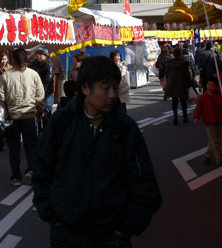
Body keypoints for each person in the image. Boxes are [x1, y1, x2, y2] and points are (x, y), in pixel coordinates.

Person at [33, 56, 162, 248]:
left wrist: (125, 228)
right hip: (67, 233)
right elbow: (41, 170)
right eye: (105, 88)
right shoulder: (62, 123)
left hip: (112, 236)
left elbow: (145, 184)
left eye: (115, 88)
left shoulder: (125, 128)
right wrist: (53, 217)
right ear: (86, 88)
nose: (112, 95)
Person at [0, 47, 44, 187]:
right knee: (31, 146)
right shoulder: (33, 74)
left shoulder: (6, 75)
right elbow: (40, 95)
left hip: (13, 117)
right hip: (29, 115)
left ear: (13, 59)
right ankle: (31, 170)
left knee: (14, 148)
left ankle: (16, 176)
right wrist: (39, 110)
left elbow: (0, 96)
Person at [195, 77, 222, 166]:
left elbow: (220, 103)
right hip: (209, 121)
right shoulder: (203, 97)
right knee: (215, 141)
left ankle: (207, 156)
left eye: (213, 85)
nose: (210, 87)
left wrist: (212, 96)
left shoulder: (218, 95)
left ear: (216, 87)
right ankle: (219, 159)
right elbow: (198, 108)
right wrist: (196, 117)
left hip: (217, 120)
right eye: (209, 85)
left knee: (214, 139)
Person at [163, 47, 193, 125]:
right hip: (182, 83)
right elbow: (187, 75)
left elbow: (167, 74)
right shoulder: (184, 64)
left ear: (174, 54)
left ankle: (175, 117)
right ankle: (185, 116)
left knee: (174, 101)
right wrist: (190, 84)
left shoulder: (170, 64)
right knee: (183, 101)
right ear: (180, 54)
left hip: (172, 84)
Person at [29, 46, 55, 128]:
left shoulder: (49, 65)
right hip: (35, 92)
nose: (38, 56)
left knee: (47, 110)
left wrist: (42, 93)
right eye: (37, 54)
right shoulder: (33, 63)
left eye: (40, 54)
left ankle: (48, 130)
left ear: (45, 55)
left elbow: (48, 81)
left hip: (47, 93)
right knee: (37, 113)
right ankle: (39, 130)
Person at [0, 51, 12, 152]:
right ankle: (1, 141)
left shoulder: (11, 69)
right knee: (0, 119)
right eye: (2, 59)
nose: (3, 61)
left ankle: (7, 139)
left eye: (5, 59)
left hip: (9, 97)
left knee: (8, 119)